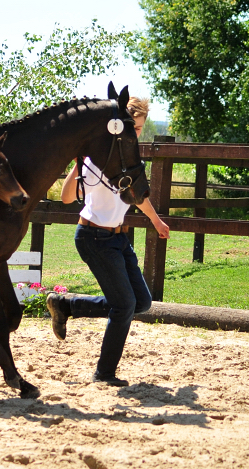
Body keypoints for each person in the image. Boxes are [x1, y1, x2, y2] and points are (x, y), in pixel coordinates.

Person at [47, 97, 170, 387]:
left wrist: (156, 221)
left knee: (140, 302)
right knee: (124, 304)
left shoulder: (125, 160)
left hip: (118, 238)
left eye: (139, 129)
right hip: (93, 237)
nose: (136, 134)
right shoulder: (97, 160)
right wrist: (79, 164)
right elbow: (66, 198)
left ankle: (66, 305)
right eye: (134, 128)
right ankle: (104, 373)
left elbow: (137, 196)